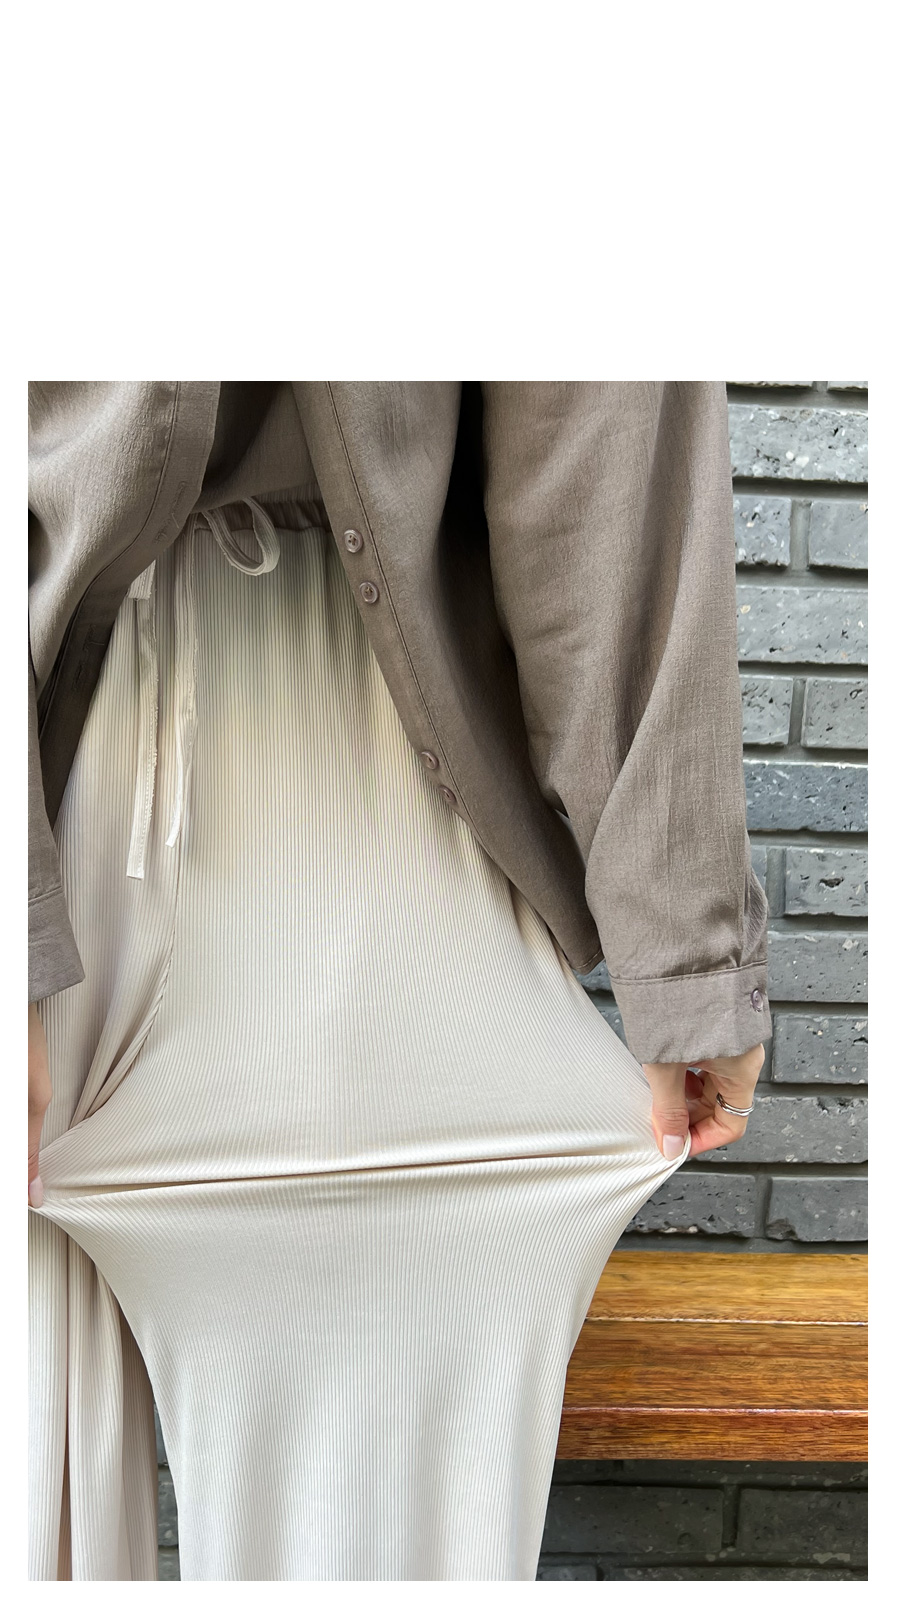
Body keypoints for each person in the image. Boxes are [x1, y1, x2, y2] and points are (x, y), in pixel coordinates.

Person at [28, 381, 769, 1581]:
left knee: (336, 1504)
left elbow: (599, 410)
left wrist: (684, 945)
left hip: (354, 739)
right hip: (83, 708)